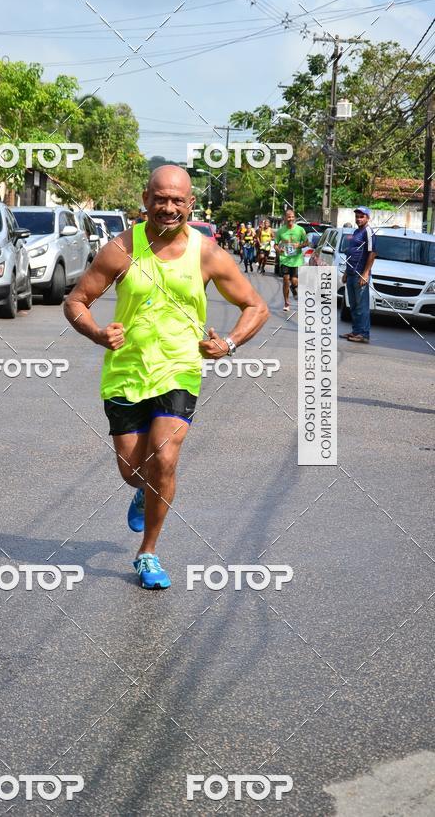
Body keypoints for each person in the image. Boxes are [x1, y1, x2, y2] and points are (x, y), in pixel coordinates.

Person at [64, 166, 269, 590]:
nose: (169, 207)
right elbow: (77, 301)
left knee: (166, 459)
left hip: (179, 371)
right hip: (125, 374)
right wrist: (98, 333)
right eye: (160, 199)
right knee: (132, 471)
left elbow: (256, 306)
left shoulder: (207, 252)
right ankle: (143, 489)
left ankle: (148, 552)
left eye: (178, 200)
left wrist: (228, 344)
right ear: (146, 198)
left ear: (190, 203)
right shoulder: (122, 248)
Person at [340, 206, 377, 344]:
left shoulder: (369, 232)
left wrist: (365, 273)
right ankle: (356, 331)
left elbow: (372, 253)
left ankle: (364, 334)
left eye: (361, 216)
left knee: (362, 306)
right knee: (354, 305)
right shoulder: (356, 231)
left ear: (367, 218)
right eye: (357, 216)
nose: (358, 219)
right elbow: (351, 253)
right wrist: (345, 273)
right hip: (351, 273)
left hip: (360, 274)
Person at [274, 208, 307, 311]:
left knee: (294, 281)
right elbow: (275, 244)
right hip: (285, 259)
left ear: (295, 218)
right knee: (285, 280)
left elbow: (307, 243)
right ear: (285, 218)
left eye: (292, 217)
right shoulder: (280, 231)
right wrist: (279, 250)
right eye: (288, 217)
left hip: (296, 259)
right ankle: (286, 302)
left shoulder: (300, 230)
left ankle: (293, 288)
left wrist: (299, 245)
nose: (290, 219)